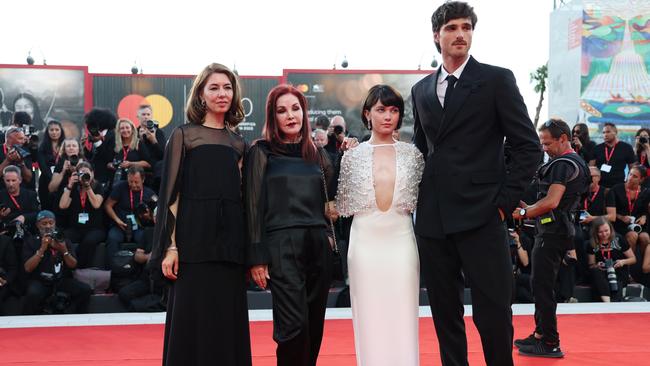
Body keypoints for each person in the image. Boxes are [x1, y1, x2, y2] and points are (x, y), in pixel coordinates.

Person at [411, 2, 541, 365]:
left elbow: (528, 147)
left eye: (466, 27)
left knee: (494, 312)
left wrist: (503, 202)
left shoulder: (497, 79)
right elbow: (422, 152)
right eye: (451, 28)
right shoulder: (421, 90)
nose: (460, 35)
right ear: (437, 35)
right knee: (444, 311)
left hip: (483, 214)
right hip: (435, 219)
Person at [149, 63, 252, 366]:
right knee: (191, 323)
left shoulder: (238, 144)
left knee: (225, 323)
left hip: (229, 247)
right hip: (192, 243)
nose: (222, 94)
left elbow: (241, 199)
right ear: (201, 95)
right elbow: (171, 195)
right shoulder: (184, 136)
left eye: (228, 88)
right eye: (214, 88)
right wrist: (170, 246)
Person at [246, 84, 335, 366]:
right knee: (292, 326)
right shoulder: (261, 151)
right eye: (281, 110)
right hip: (281, 246)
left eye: (295, 109)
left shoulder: (317, 154)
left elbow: (330, 197)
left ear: (304, 113)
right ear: (273, 117)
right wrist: (257, 257)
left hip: (317, 244)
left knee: (314, 324)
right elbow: (252, 206)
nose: (290, 115)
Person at [335, 85, 424, 366]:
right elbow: (343, 206)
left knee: (403, 314)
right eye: (381, 109)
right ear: (367, 114)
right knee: (369, 317)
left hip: (401, 244)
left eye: (394, 110)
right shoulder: (352, 156)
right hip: (365, 247)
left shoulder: (414, 155)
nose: (388, 116)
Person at [512, 119, 589, 358]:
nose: (544, 147)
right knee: (540, 285)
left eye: (547, 143)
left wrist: (524, 212)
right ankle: (540, 334)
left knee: (542, 287)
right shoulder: (576, 162)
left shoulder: (562, 164)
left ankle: (550, 341)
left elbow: (552, 202)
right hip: (556, 229)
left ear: (563, 138)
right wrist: (530, 208)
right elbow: (554, 203)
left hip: (553, 232)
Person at [21, 210, 91, 314]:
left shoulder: (63, 239)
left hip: (60, 279)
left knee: (85, 290)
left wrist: (63, 250)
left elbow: (73, 265)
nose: (48, 226)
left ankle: (75, 317)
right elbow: (27, 268)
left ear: (55, 223)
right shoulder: (31, 241)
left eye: (51, 222)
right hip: (40, 280)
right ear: (37, 225)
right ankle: (32, 320)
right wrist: (42, 249)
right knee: (33, 293)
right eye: (44, 223)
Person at [104, 166, 155, 270]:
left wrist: (148, 217)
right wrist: (117, 220)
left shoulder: (150, 193)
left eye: (136, 182)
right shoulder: (120, 187)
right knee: (112, 238)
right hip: (120, 225)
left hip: (139, 227)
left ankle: (138, 271)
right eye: (130, 182)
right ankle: (113, 270)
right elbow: (107, 205)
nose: (133, 185)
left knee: (144, 239)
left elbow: (156, 216)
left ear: (143, 180)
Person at [58, 162, 106, 269]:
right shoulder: (74, 187)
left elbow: (96, 204)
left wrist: (88, 186)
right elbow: (63, 205)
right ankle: (65, 266)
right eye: (81, 173)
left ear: (92, 174)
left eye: (86, 173)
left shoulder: (98, 187)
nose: (84, 176)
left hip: (95, 228)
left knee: (89, 241)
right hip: (76, 228)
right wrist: (69, 186)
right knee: (61, 238)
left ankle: (80, 267)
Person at [587, 217, 636, 302]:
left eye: (606, 231)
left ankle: (611, 303)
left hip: (618, 271)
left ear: (611, 229)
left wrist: (622, 262)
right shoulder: (592, 243)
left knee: (616, 290)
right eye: (600, 232)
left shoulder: (619, 239)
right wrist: (597, 265)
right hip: (602, 273)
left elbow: (633, 259)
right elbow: (591, 264)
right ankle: (607, 302)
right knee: (595, 272)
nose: (604, 234)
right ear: (596, 232)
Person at [607, 165, 650, 254]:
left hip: (638, 225)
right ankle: (630, 264)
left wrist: (644, 217)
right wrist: (621, 217)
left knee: (645, 237)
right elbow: (609, 213)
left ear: (641, 179)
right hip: (619, 224)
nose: (630, 178)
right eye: (630, 174)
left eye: (635, 176)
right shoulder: (616, 189)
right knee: (632, 235)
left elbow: (646, 211)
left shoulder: (646, 192)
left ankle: (645, 265)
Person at [589, 123, 636, 189]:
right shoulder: (597, 148)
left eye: (608, 132)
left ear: (615, 133)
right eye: (603, 132)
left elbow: (632, 168)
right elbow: (591, 168)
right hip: (600, 186)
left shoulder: (626, 148)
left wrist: (627, 182)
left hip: (619, 185)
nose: (605, 134)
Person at [108, 118, 151, 186]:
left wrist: (130, 164)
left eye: (127, 127)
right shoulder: (115, 144)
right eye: (122, 128)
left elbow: (147, 164)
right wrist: (112, 165)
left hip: (134, 181)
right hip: (117, 179)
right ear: (118, 131)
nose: (125, 130)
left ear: (132, 129)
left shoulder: (139, 143)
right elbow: (108, 163)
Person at [37, 120, 66, 210]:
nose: (54, 132)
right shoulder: (42, 148)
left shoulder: (66, 146)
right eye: (51, 130)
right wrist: (53, 181)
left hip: (63, 181)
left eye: (57, 130)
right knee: (47, 208)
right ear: (47, 132)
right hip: (46, 182)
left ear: (61, 131)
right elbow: (43, 168)